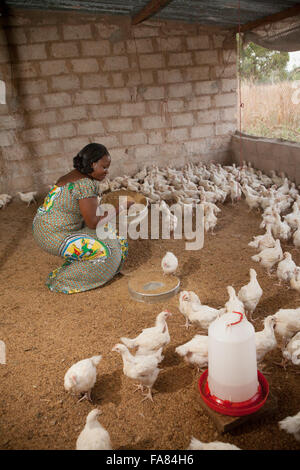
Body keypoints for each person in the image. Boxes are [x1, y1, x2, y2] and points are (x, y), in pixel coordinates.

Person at [33, 143, 133, 294]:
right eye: (104, 167)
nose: (107, 172)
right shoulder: (85, 184)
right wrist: (121, 207)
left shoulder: (75, 175)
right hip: (53, 234)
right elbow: (93, 223)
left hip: (48, 227)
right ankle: (62, 281)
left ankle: (106, 270)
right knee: (108, 253)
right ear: (92, 164)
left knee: (115, 238)